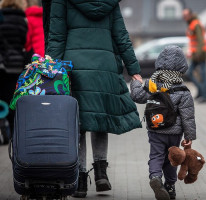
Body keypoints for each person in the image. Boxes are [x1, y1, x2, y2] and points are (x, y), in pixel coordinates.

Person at [43, 0, 143, 198]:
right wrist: (134, 70)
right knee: (99, 119)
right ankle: (101, 173)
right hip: (103, 67)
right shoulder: (110, 2)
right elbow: (121, 36)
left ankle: (79, 179)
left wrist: (51, 69)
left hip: (74, 67)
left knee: (77, 123)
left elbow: (56, 36)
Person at [130, 45, 196, 200]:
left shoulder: (152, 84)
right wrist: (189, 136)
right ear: (182, 65)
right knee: (171, 158)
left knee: (156, 155)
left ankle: (155, 177)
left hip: (155, 129)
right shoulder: (182, 89)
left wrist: (136, 82)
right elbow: (188, 116)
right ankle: (170, 186)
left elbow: (137, 96)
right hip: (174, 132)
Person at [0, 0, 28, 133]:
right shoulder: (22, 20)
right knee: (12, 97)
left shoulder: (1, 17)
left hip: (2, 64)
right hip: (16, 64)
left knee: (2, 98)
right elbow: (24, 42)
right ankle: (12, 130)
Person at [183, 8, 206, 103]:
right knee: (190, 73)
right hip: (196, 54)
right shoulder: (192, 24)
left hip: (200, 54)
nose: (184, 17)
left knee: (202, 76)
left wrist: (198, 53)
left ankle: (205, 96)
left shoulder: (196, 24)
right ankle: (201, 93)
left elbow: (200, 40)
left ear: (190, 15)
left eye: (186, 15)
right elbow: (193, 41)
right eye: (184, 16)